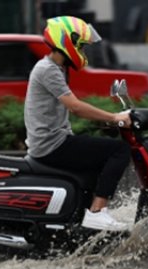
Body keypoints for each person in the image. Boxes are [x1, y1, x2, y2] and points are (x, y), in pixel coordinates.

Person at [24, 15, 133, 232]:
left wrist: (105, 123)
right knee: (120, 150)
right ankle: (96, 213)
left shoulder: (57, 68)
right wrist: (113, 117)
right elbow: (75, 107)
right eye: (81, 46)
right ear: (67, 42)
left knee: (96, 162)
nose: (83, 52)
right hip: (51, 145)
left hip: (54, 140)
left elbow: (70, 109)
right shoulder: (48, 69)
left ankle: (81, 219)